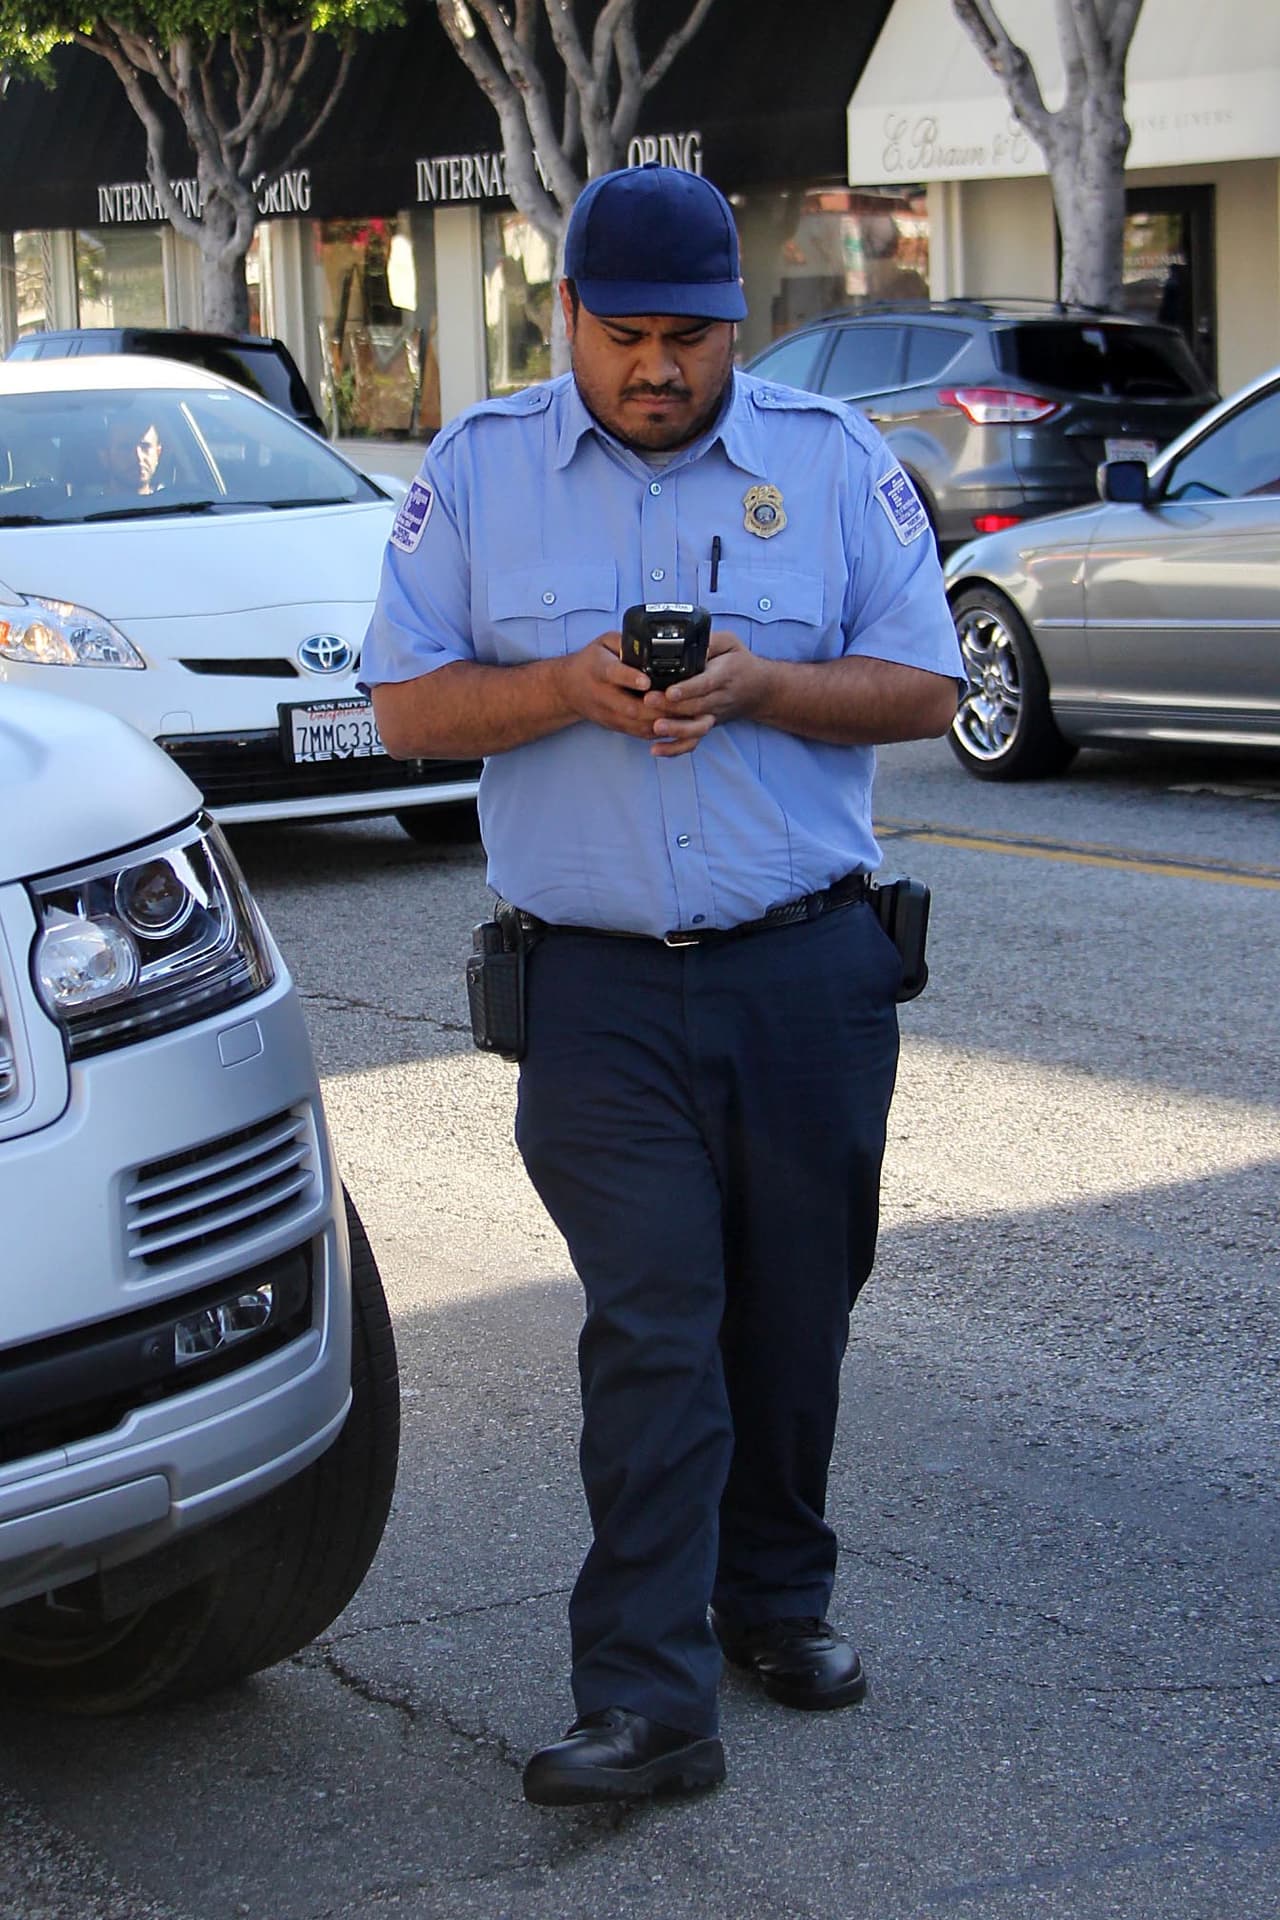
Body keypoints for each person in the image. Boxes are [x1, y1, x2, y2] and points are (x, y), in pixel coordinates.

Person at [360, 163, 963, 1808]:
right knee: (655, 1328)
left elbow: (929, 684)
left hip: (808, 974)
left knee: (791, 1314)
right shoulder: (478, 475)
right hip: (599, 990)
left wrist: (769, 684)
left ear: (736, 328)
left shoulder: (833, 466)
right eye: (623, 335)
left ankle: (774, 1597)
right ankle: (644, 1697)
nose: (656, 368)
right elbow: (404, 710)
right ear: (566, 319)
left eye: (688, 339)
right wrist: (561, 686)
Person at [98, 411, 165, 496]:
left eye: (145, 446)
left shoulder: (174, 500)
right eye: (125, 448)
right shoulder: (89, 507)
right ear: (105, 457)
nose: (138, 457)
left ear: (158, 453)